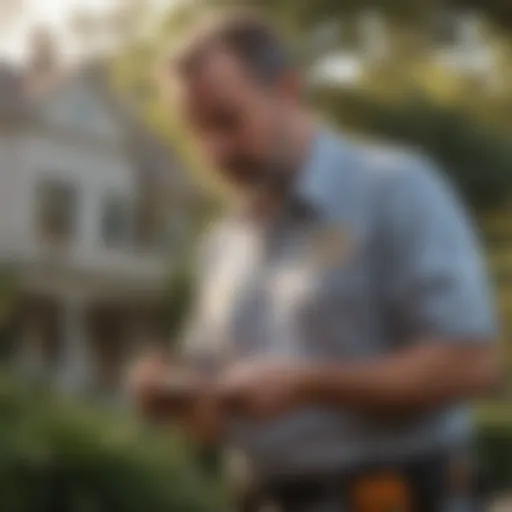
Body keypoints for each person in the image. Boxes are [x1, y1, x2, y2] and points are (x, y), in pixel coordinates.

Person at [130, 11, 501, 512]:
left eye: (228, 121)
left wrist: (311, 384)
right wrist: (177, 397)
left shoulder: (395, 188)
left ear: (287, 89)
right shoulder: (223, 244)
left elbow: (473, 365)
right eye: (198, 132)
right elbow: (214, 421)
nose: (215, 151)